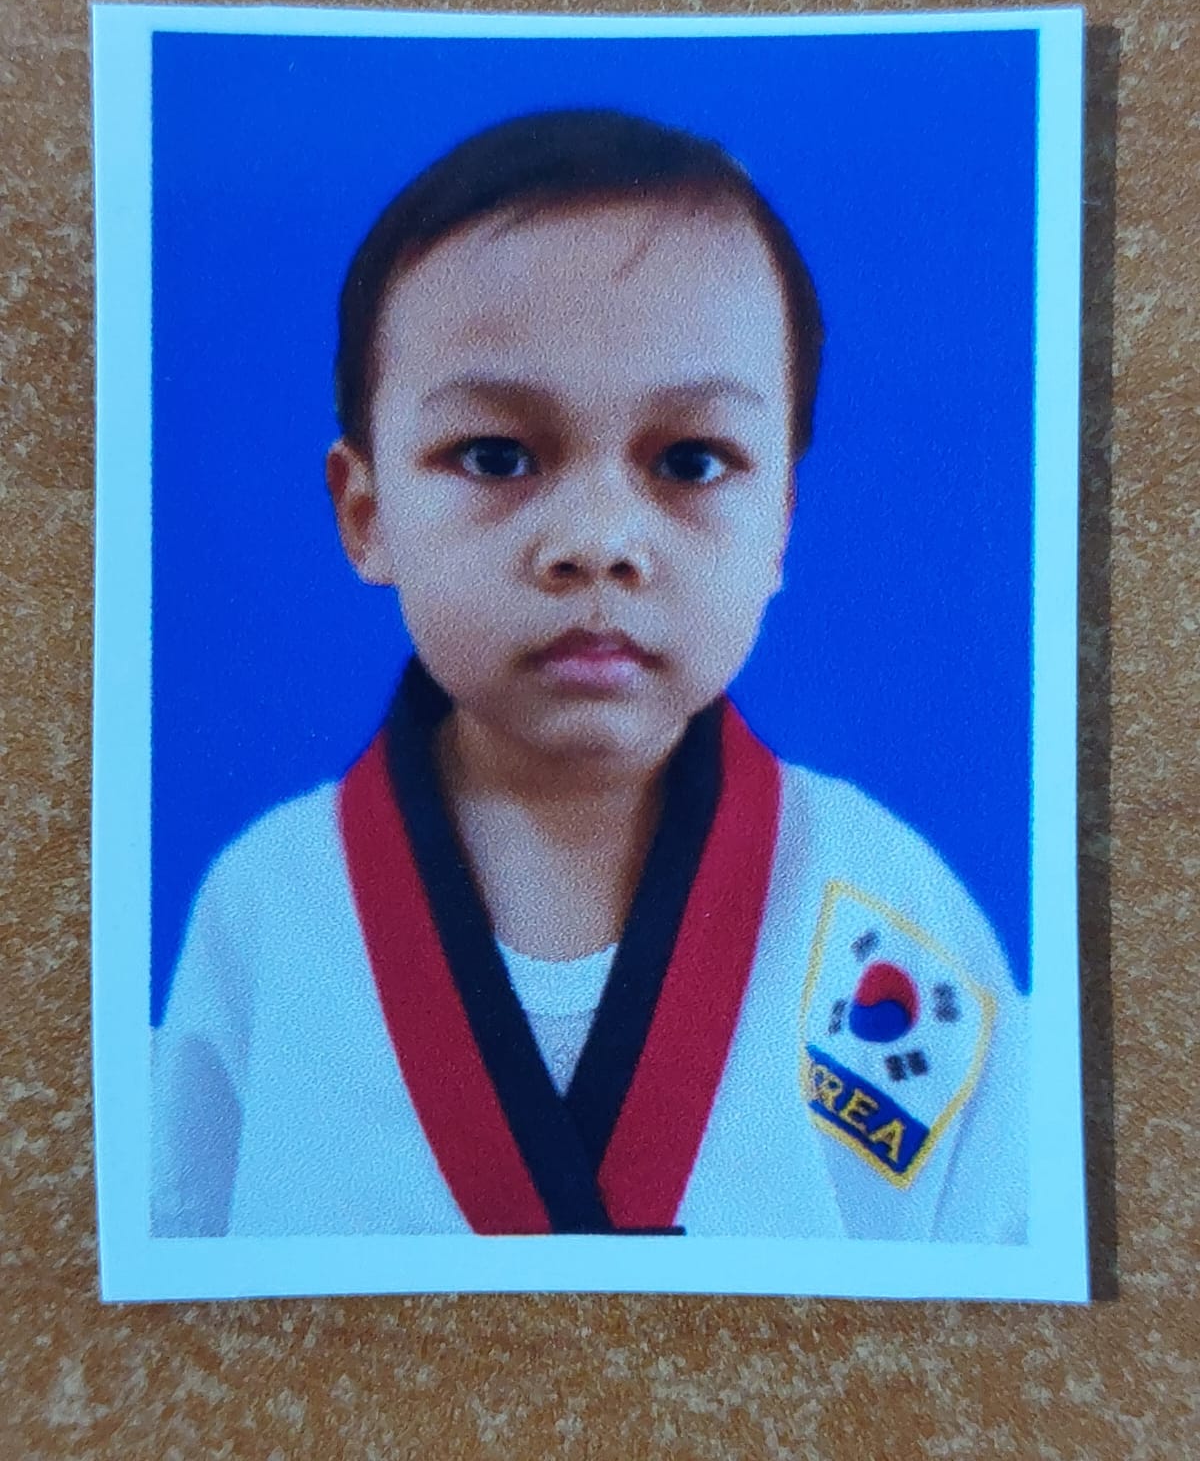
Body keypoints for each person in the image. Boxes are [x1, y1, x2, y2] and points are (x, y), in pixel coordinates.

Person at [151, 109, 1026, 1243]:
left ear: (779, 525)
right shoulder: (265, 909)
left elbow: (995, 1275)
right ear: (366, 514)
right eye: (497, 456)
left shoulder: (889, 910)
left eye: (691, 461)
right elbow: (173, 1280)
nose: (599, 541)